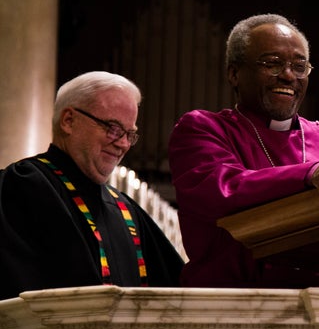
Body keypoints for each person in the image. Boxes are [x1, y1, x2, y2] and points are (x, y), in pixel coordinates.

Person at [168, 13, 319, 289]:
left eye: (299, 66)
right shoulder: (203, 128)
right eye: (272, 63)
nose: (289, 75)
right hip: (235, 306)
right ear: (234, 73)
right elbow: (224, 190)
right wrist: (310, 173)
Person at [0, 71, 185, 300]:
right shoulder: (22, 185)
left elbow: (176, 291)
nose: (123, 144)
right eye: (113, 128)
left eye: (130, 134)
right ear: (69, 121)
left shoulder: (126, 210)